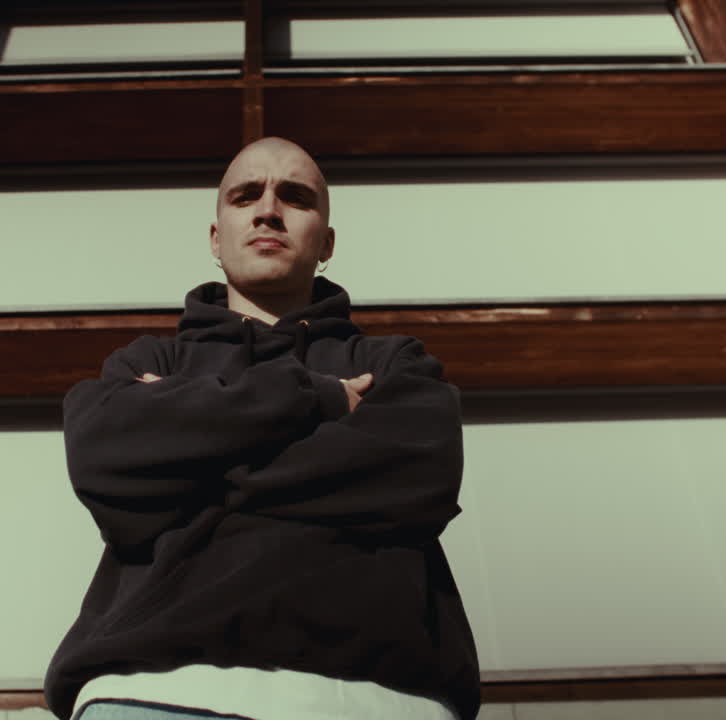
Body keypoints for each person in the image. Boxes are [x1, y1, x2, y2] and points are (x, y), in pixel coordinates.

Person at [44, 137, 479, 720]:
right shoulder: (148, 361)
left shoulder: (394, 364)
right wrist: (315, 398)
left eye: (295, 197)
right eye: (245, 195)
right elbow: (100, 458)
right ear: (216, 237)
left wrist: (192, 461)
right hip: (155, 694)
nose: (268, 209)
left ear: (325, 242)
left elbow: (426, 478)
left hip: (376, 700)